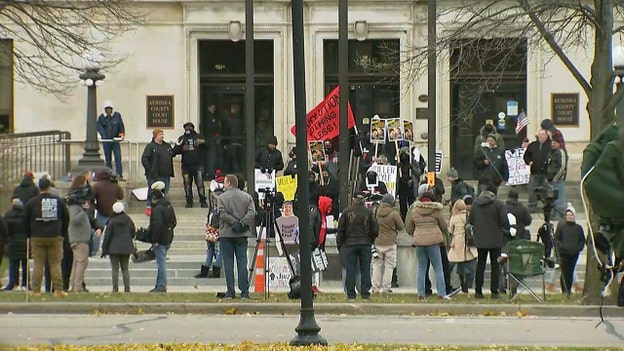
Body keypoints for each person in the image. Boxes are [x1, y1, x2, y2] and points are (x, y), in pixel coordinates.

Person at [24, 177, 70, 297]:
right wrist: (62, 232)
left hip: (37, 236)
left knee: (38, 263)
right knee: (55, 263)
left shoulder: (32, 202)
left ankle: (36, 290)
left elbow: (25, 220)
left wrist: (29, 234)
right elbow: (66, 217)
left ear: (39, 188)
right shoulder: (58, 201)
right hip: (55, 235)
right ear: (49, 187)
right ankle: (58, 289)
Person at [216, 174, 256, 299]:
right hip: (241, 234)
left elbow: (221, 213)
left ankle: (230, 291)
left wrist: (233, 222)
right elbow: (252, 212)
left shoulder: (221, 198)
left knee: (228, 263)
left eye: (224, 183)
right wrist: (242, 223)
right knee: (242, 263)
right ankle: (244, 291)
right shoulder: (247, 197)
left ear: (228, 183)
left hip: (226, 234)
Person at [468, 183, 510, 299]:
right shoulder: (498, 204)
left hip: (480, 239)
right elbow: (505, 222)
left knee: (480, 264)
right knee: (495, 266)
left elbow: (470, 220)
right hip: (495, 239)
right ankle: (494, 291)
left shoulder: (476, 203)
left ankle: (478, 291)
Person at [406, 191, 450, 300]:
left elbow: (409, 227)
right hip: (434, 242)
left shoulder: (414, 211)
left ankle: (421, 294)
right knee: (438, 268)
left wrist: (416, 234)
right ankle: (441, 293)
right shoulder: (436, 211)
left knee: (421, 268)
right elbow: (444, 227)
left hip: (419, 242)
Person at [336, 191, 379, 300]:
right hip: (365, 243)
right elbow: (375, 229)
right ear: (364, 199)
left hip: (350, 244)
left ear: (353, 198)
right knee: (365, 269)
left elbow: (341, 230)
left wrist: (340, 244)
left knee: (350, 268)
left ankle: (350, 293)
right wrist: (371, 239)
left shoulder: (347, 212)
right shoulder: (368, 212)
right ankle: (365, 292)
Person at [148, 181, 177, 293]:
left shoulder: (158, 209)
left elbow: (157, 225)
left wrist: (154, 239)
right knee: (161, 261)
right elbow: (174, 222)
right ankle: (159, 283)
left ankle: (161, 285)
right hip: (168, 237)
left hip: (160, 239)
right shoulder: (168, 206)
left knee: (161, 263)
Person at [67, 194, 100, 293]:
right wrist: (84, 211)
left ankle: (73, 284)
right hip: (79, 239)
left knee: (77, 263)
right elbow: (75, 221)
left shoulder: (76, 209)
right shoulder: (76, 210)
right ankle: (77, 286)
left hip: (81, 239)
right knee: (81, 262)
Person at [372, 194, 404, 294]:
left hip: (377, 241)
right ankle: (386, 288)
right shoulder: (394, 213)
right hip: (390, 242)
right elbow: (401, 226)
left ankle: (375, 287)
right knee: (389, 266)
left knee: (377, 265)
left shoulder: (375, 211)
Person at [101, 201, 136, 293]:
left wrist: (104, 249)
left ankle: (115, 289)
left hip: (114, 248)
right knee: (125, 269)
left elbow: (107, 236)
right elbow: (133, 232)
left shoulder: (112, 221)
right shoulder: (128, 219)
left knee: (115, 269)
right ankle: (127, 289)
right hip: (126, 247)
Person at [173, 122, 208, 208]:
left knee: (200, 184)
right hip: (186, 166)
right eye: (186, 128)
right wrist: (180, 147)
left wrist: (203, 142)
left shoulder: (199, 137)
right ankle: (189, 201)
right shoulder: (182, 138)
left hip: (198, 165)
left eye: (189, 128)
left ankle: (203, 201)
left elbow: (209, 147)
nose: (188, 129)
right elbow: (174, 152)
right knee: (187, 185)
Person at [553, 204, 585, 295]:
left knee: (570, 272)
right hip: (564, 253)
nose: (570, 217)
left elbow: (582, 240)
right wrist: (561, 247)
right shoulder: (562, 227)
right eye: (568, 215)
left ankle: (568, 290)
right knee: (564, 271)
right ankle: (564, 290)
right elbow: (557, 239)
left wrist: (579, 248)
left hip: (574, 253)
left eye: (571, 215)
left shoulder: (578, 228)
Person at [141, 129, 175, 216]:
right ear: (155, 136)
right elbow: (144, 159)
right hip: (154, 174)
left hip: (165, 174)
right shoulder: (151, 146)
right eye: (160, 134)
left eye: (162, 134)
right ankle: (149, 206)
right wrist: (149, 169)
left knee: (164, 191)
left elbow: (173, 153)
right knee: (153, 191)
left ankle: (161, 206)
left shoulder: (167, 146)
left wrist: (177, 146)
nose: (162, 136)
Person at [447, 199, 477, 293]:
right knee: (468, 263)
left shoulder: (454, 217)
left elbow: (450, 230)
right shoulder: (469, 216)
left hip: (457, 242)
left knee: (453, 262)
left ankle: (456, 284)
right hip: (468, 242)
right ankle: (467, 285)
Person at [196, 189, 224, 279]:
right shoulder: (212, 209)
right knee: (209, 251)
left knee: (218, 252)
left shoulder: (221, 209)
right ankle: (205, 270)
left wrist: (214, 228)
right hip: (210, 233)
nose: (213, 200)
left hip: (218, 234)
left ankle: (216, 271)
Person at [92, 168, 124, 246]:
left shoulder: (96, 186)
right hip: (113, 212)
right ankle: (115, 246)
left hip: (101, 212)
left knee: (98, 231)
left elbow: (91, 198)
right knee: (115, 232)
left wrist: (96, 206)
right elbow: (121, 196)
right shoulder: (115, 185)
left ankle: (95, 249)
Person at [97, 100, 126, 180]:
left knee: (118, 157)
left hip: (115, 141)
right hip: (106, 142)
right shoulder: (101, 117)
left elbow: (121, 126)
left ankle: (119, 174)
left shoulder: (117, 116)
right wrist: (104, 137)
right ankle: (108, 175)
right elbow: (100, 128)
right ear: (105, 109)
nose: (109, 110)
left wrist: (122, 135)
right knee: (108, 158)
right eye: (107, 108)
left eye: (110, 108)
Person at [523, 129, 551, 211]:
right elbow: (526, 156)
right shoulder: (533, 145)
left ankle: (546, 207)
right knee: (532, 190)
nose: (541, 136)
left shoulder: (549, 145)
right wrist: (529, 162)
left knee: (545, 191)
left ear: (546, 136)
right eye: (539, 134)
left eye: (542, 134)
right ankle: (532, 206)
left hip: (546, 173)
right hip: (534, 172)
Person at [3, 199, 27, 291]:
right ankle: (25, 283)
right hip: (24, 242)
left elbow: (5, 230)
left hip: (12, 242)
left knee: (13, 264)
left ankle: (13, 283)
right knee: (25, 264)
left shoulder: (8, 215)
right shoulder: (25, 215)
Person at [546, 134, 568, 218]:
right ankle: (553, 214)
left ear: (559, 143)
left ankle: (560, 214)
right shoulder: (551, 152)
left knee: (560, 198)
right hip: (550, 179)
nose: (552, 144)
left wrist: (556, 177)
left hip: (557, 179)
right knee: (552, 198)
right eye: (552, 143)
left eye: (554, 143)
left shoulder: (561, 152)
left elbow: (562, 166)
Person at [397, 147, 419, 221]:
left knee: (411, 203)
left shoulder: (412, 161)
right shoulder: (399, 162)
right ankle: (403, 218)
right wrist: (397, 167)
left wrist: (412, 167)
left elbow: (418, 172)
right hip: (401, 185)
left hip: (411, 185)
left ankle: (411, 218)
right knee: (402, 204)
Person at [201, 102, 221, 180]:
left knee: (212, 156)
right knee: (211, 157)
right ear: (209, 107)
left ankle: (211, 171)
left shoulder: (210, 116)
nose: (215, 108)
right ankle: (210, 172)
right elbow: (209, 128)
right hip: (210, 139)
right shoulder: (208, 117)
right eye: (213, 106)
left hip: (210, 139)